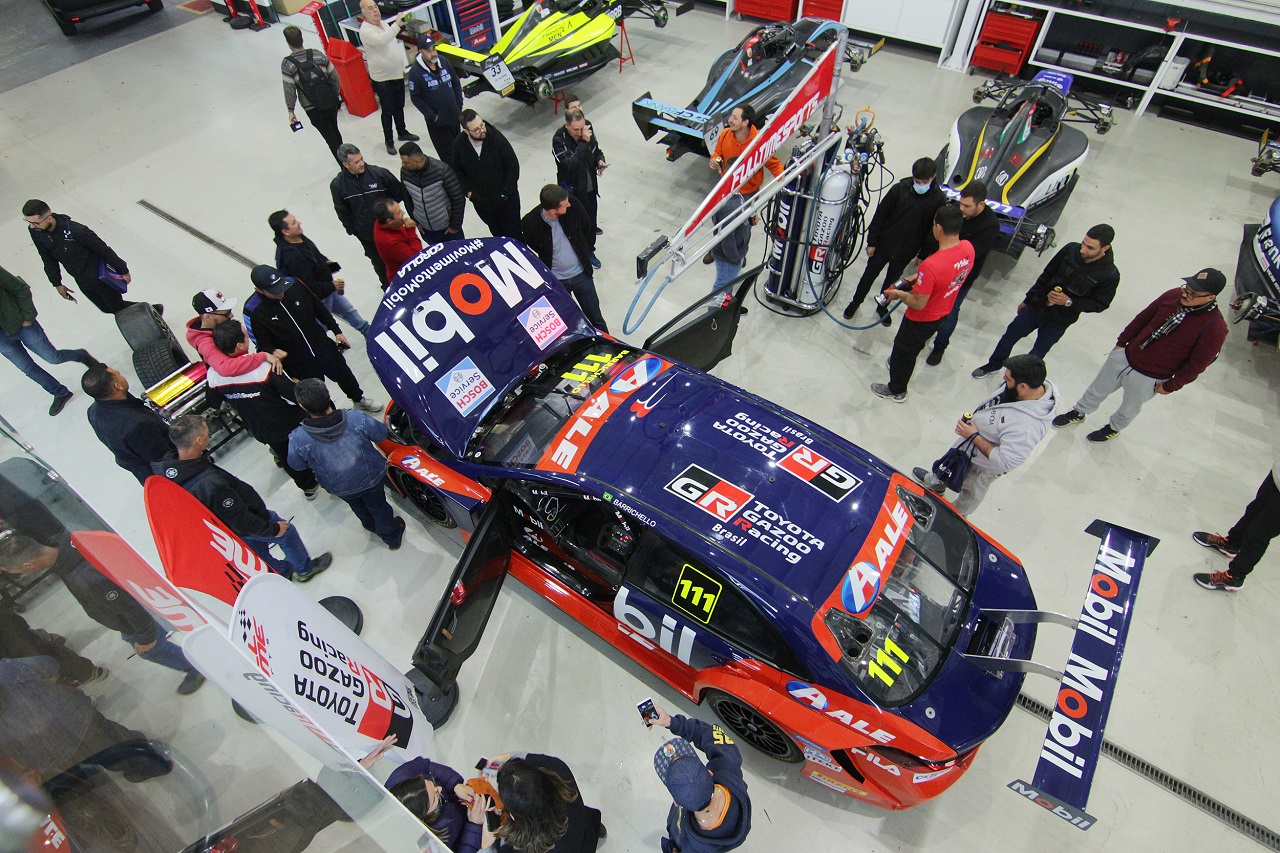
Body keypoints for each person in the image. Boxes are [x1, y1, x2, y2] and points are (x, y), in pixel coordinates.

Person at [0, 533, 206, 695]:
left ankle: (196, 667)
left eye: (19, 572)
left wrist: (146, 637)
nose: (22, 574)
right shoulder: (68, 541)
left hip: (131, 618)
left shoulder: (85, 579)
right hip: (132, 596)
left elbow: (129, 608)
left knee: (151, 649)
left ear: (28, 565)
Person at [1052, 268, 1228, 443]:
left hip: (1151, 377)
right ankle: (1079, 411)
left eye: (1193, 293)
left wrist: (1171, 386)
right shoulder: (1173, 295)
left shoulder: (1215, 328)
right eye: (1186, 288)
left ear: (1210, 297)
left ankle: (1113, 428)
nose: (1185, 294)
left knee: (1130, 406)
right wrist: (1121, 343)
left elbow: (1197, 365)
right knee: (1098, 387)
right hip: (1126, 356)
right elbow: (1143, 318)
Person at [156, 416, 332, 582]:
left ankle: (280, 571)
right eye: (206, 434)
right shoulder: (211, 484)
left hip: (226, 528)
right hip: (246, 518)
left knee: (255, 548)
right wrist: (272, 529)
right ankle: (305, 569)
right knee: (286, 533)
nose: (208, 436)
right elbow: (241, 519)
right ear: (199, 441)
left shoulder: (167, 470)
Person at [911, 354, 1057, 516]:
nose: (1003, 379)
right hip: (968, 444)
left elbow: (1007, 461)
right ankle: (936, 483)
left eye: (1008, 379)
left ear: (1023, 387)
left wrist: (974, 436)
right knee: (948, 466)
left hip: (981, 466)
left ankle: (953, 517)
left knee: (971, 493)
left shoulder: (1027, 427)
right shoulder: (1027, 388)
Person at [971, 224, 1120, 378]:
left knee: (1036, 356)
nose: (1083, 250)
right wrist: (1028, 299)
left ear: (1105, 248)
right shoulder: (1070, 250)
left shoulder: (1109, 275)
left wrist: (1069, 302)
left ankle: (1017, 380)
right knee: (1009, 337)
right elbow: (1047, 274)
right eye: (1083, 243)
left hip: (1058, 322)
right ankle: (994, 364)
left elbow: (1100, 304)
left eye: (1090, 248)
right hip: (1036, 307)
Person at [0, 656, 172, 785]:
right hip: (77, 716)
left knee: (97, 760)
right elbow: (50, 664)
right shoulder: (7, 669)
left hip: (50, 753)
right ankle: (152, 761)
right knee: (115, 741)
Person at [871, 204, 973, 402]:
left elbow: (918, 303)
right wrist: (919, 278)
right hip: (943, 311)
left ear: (939, 228)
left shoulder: (931, 265)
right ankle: (899, 367)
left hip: (921, 319)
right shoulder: (967, 248)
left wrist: (898, 294)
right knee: (915, 346)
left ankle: (897, 389)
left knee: (903, 350)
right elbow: (947, 274)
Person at [244, 264, 381, 413]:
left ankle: (359, 399)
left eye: (281, 287)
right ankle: (331, 415)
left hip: (321, 345)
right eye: (274, 292)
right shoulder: (252, 310)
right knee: (316, 394)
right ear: (259, 290)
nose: (281, 293)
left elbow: (318, 307)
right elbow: (261, 342)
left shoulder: (294, 284)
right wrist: (272, 350)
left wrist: (336, 330)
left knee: (344, 374)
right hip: (297, 362)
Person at [288, 379, 406, 550]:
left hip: (338, 486)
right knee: (378, 505)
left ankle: (370, 525)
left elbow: (297, 466)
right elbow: (381, 434)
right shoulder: (356, 418)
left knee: (356, 504)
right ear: (328, 395)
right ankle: (391, 536)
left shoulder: (298, 438)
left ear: (302, 406)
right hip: (371, 477)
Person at [209, 320, 319, 499]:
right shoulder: (264, 368)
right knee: (298, 452)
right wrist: (298, 384)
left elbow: (214, 402)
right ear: (239, 345)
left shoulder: (214, 375)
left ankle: (307, 487)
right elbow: (292, 396)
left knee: (283, 454)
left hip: (258, 428)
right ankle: (314, 478)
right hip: (287, 424)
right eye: (246, 336)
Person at [841, 157, 946, 323]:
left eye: (924, 181)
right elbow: (880, 215)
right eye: (917, 181)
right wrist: (872, 242)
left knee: (893, 281)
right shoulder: (899, 190)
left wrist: (922, 254)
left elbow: (931, 231)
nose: (920, 185)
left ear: (934, 176)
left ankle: (883, 305)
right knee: (869, 276)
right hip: (884, 245)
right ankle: (856, 302)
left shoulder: (938, 200)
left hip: (907, 250)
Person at [22, 200, 159, 317]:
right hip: (82, 280)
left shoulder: (78, 232)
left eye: (35, 223)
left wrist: (123, 270)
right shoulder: (37, 232)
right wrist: (57, 283)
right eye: (28, 222)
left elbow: (103, 249)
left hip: (100, 279)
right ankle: (152, 310)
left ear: (49, 219)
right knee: (106, 308)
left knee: (118, 309)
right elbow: (47, 257)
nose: (32, 227)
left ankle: (152, 313)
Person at [360, 735, 492, 852]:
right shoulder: (430, 843)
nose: (439, 789)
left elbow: (427, 766)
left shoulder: (401, 777)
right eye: (435, 798)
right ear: (423, 817)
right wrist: (474, 825)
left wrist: (455, 785)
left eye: (432, 783)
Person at [0, 263, 99, 416]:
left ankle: (82, 356)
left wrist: (27, 317)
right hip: (2, 339)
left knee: (53, 357)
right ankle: (60, 393)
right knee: (27, 368)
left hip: (21, 324)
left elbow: (20, 288)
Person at [648, 704, 750, 853]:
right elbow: (709, 733)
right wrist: (670, 721)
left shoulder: (690, 847)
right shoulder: (728, 762)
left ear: (677, 803)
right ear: (709, 773)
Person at [925, 180, 1002, 365]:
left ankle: (940, 346)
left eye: (967, 206)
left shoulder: (990, 226)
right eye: (960, 203)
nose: (962, 209)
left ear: (981, 204)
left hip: (961, 278)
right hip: (940, 271)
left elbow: (970, 254)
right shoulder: (958, 214)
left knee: (951, 312)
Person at [269, 210, 371, 337]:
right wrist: (332, 286)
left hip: (328, 289)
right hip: (319, 299)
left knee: (349, 311)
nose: (299, 223)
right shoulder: (292, 257)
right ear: (286, 232)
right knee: (321, 327)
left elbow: (315, 255)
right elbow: (308, 286)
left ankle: (369, 332)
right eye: (294, 223)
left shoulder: (299, 238)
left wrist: (328, 264)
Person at [521, 185, 608, 333]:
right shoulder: (531, 222)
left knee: (596, 319)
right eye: (564, 204)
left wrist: (585, 250)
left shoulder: (573, 206)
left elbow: (587, 228)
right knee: (566, 321)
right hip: (557, 282)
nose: (569, 204)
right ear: (553, 210)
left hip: (582, 275)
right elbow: (534, 245)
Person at [1192, 459, 1280, 592]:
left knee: (1259, 533)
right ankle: (1231, 543)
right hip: (1277, 475)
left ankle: (1234, 577)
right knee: (1253, 510)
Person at [491, 752, 604, 852]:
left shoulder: (519, 848)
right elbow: (530, 759)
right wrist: (508, 757)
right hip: (585, 830)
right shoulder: (559, 769)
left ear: (514, 816)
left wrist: (488, 843)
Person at [331, 143, 409, 287]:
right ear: (345, 164)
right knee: (381, 267)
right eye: (356, 162)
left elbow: (398, 193)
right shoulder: (338, 185)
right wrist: (353, 230)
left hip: (393, 230)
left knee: (405, 259)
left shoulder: (379, 174)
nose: (361, 164)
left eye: (361, 159)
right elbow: (342, 211)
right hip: (368, 237)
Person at [82, 364, 176, 484]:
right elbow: (164, 459)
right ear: (118, 386)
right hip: (162, 475)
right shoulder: (138, 425)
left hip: (137, 462)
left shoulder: (93, 411)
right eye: (118, 374)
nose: (122, 375)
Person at [358, 0, 420, 156]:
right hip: (383, 80)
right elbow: (382, 40)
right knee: (388, 111)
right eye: (370, 9)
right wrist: (397, 25)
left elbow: (391, 41)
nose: (375, 11)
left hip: (396, 75)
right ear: (364, 13)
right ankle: (389, 140)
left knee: (399, 106)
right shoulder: (366, 30)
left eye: (376, 7)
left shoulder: (384, 25)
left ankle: (402, 131)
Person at [452, 110, 522, 239]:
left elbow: (512, 166)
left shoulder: (496, 139)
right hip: (483, 204)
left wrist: (505, 194)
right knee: (497, 235)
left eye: (482, 125)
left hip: (507, 201)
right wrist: (468, 193)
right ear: (467, 131)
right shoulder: (459, 145)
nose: (482, 130)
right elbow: (457, 170)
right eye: (476, 129)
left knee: (515, 235)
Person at [552, 108, 607, 267]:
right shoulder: (558, 140)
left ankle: (589, 251)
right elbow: (570, 165)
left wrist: (600, 161)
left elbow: (596, 149)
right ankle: (577, 254)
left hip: (589, 188)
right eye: (576, 130)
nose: (579, 132)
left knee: (590, 223)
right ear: (566, 125)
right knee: (575, 225)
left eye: (582, 128)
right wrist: (584, 141)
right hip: (572, 192)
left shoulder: (586, 128)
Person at [281, 25, 344, 162]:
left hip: (313, 108)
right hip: (330, 102)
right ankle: (347, 158)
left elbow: (289, 89)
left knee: (330, 139)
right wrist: (334, 94)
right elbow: (334, 77)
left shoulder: (287, 64)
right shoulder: (317, 54)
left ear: (288, 42)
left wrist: (291, 110)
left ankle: (346, 168)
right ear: (302, 39)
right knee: (335, 131)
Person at [186, 288, 284, 375]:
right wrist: (263, 356)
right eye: (226, 313)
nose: (231, 315)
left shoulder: (217, 326)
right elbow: (225, 368)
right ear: (208, 317)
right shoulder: (205, 344)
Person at [406, 34, 463, 165]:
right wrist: (433, 116)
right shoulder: (415, 73)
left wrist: (458, 105)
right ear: (421, 52)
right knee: (448, 157)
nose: (433, 53)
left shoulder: (443, 61)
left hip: (454, 117)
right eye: (428, 51)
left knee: (460, 150)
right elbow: (416, 98)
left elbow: (455, 82)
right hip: (438, 124)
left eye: (434, 49)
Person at [709, 105, 783, 201]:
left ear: (745, 122)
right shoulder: (724, 134)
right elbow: (717, 153)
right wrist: (714, 160)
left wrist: (784, 184)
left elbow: (775, 165)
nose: (729, 120)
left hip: (749, 195)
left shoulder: (759, 144)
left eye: (735, 118)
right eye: (731, 116)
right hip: (726, 188)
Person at [400, 142, 466, 245]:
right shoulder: (405, 172)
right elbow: (406, 196)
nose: (403, 165)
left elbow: (458, 199)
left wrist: (455, 226)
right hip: (425, 230)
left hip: (447, 229)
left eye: (405, 162)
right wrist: (415, 220)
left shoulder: (442, 171)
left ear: (417, 161)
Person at [708, 173, 751, 305]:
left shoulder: (734, 195)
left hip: (734, 254)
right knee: (721, 288)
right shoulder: (730, 207)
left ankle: (728, 305)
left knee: (727, 285)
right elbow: (727, 238)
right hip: (729, 258)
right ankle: (713, 316)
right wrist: (735, 259)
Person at [372, 199, 424, 280]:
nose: (403, 213)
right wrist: (411, 230)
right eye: (399, 212)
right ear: (389, 221)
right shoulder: (389, 241)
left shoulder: (385, 222)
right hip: (407, 278)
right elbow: (415, 257)